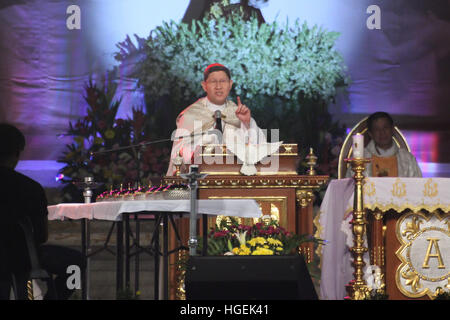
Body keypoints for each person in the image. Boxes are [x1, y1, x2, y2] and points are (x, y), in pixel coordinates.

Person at [0, 123, 84, 300]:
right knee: (76, 265)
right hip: (20, 258)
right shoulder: (30, 188)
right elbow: (41, 235)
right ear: (17, 154)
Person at [166, 63, 266, 176]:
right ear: (204, 85)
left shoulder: (239, 114)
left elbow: (260, 149)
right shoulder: (191, 115)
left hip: (237, 179)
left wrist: (247, 124)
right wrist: (206, 143)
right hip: (201, 180)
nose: (218, 86)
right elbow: (178, 154)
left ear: (230, 84)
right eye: (213, 81)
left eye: (223, 81)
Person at [346, 112, 422, 178]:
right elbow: (350, 188)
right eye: (377, 129)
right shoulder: (360, 160)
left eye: (385, 128)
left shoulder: (407, 159)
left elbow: (416, 188)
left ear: (392, 130)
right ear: (370, 134)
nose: (382, 133)